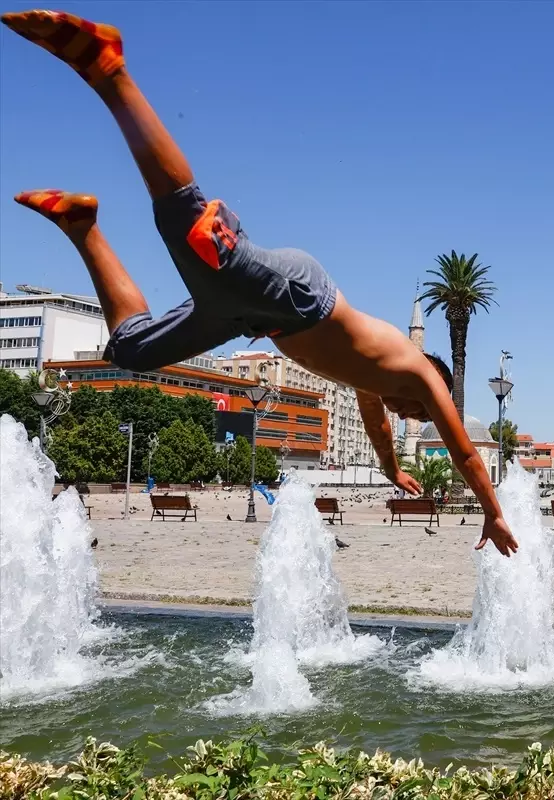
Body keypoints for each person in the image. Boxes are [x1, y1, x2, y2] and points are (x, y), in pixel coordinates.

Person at [1, 10, 520, 556]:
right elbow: (464, 453)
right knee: (190, 230)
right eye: (419, 412)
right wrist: (494, 513)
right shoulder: (417, 374)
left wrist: (394, 474)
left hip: (250, 318)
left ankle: (82, 226)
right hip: (299, 295)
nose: (411, 414)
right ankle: (110, 70)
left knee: (130, 348)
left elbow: (381, 436)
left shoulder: (376, 385)